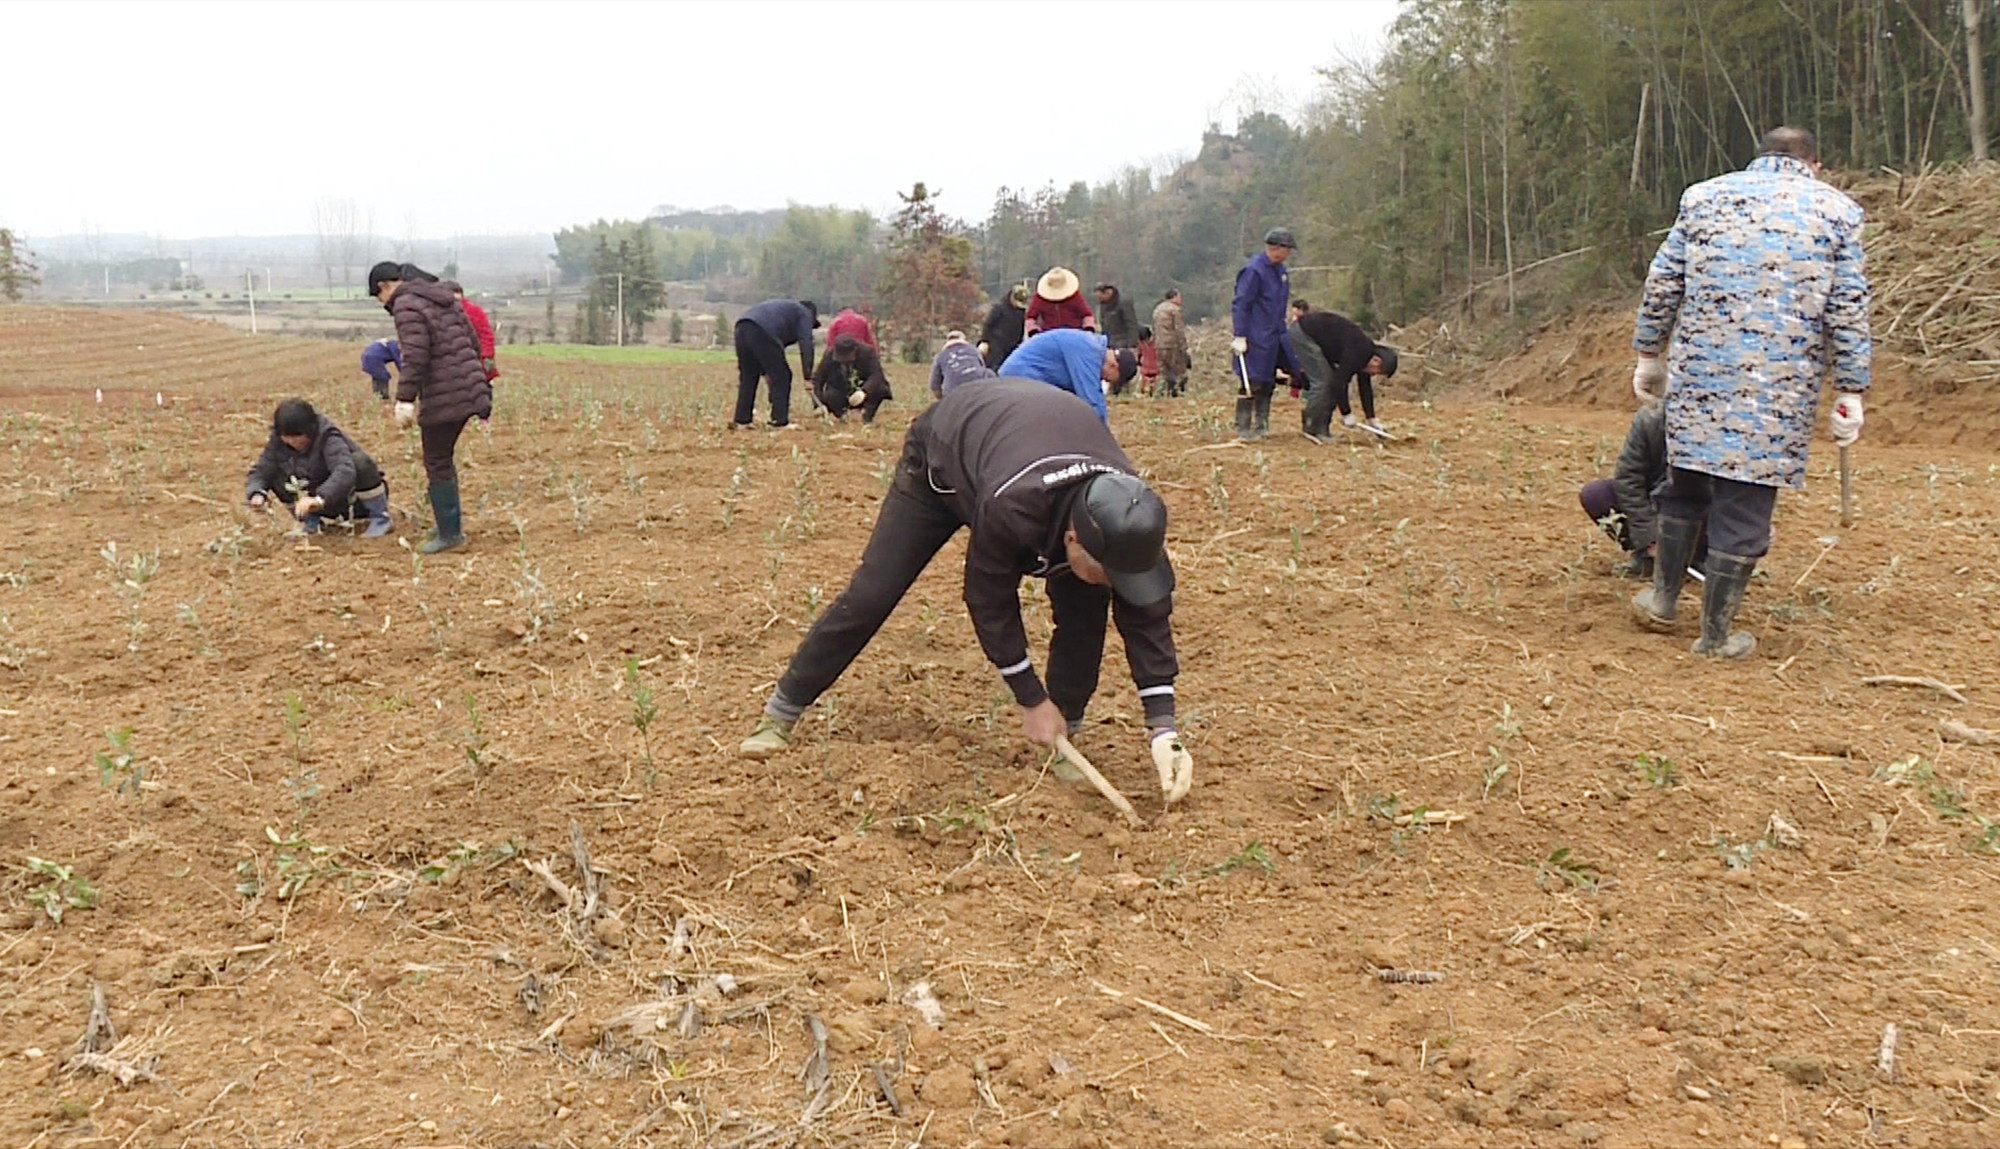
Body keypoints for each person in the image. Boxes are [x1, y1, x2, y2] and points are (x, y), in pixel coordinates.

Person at [736, 379, 1195, 806]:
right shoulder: (1016, 508)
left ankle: (1063, 741)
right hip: (944, 461)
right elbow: (988, 599)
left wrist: (1164, 728)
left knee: (1084, 608)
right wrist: (1030, 698)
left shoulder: (1128, 518)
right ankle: (782, 711)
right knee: (874, 592)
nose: (1117, 583)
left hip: (1019, 443)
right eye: (1109, 572)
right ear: (1074, 539)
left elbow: (1146, 614)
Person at [1629, 126, 1871, 659]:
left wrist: (1649, 353)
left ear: (1758, 157)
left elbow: (1663, 280)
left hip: (1699, 379)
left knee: (1685, 484)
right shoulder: (1838, 212)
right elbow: (1847, 309)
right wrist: (1851, 387)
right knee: (1743, 505)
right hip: (1777, 393)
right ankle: (1715, 636)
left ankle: (1664, 600)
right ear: (1816, 165)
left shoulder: (1703, 197)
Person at [369, 260, 492, 554]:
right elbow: (472, 340)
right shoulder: (440, 297)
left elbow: (415, 355)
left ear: (384, 287)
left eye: (379, 297)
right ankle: (448, 525)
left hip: (445, 392)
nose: (383, 303)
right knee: (442, 456)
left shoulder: (406, 305)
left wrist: (405, 398)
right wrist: (472, 377)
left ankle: (451, 534)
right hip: (468, 386)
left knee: (436, 459)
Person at [1578, 401, 1715, 580]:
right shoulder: (1649, 419)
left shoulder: (1719, 423)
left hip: (1698, 509)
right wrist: (1650, 538)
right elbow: (1628, 479)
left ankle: (1700, 557)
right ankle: (1647, 557)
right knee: (1596, 495)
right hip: (1654, 500)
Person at [244, 397, 393, 537]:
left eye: (296, 436)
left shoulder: (328, 437)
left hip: (351, 501)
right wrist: (257, 493)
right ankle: (309, 521)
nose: (290, 441)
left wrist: (320, 498)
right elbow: (262, 469)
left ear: (310, 431)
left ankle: (380, 518)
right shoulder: (278, 441)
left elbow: (344, 471)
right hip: (317, 505)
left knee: (360, 462)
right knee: (275, 473)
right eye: (286, 436)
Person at [1289, 300, 1399, 441]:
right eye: (1377, 372)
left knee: (1329, 382)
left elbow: (1365, 388)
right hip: (1304, 333)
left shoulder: (1365, 356)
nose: (1373, 374)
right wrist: (1346, 414)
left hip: (1322, 342)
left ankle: (1323, 429)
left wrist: (1372, 419)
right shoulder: (1360, 351)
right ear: (1377, 361)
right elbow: (1338, 383)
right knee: (1323, 382)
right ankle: (1310, 426)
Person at [1230, 228, 1300, 441]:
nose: (1288, 254)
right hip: (1255, 335)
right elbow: (1242, 304)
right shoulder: (1254, 271)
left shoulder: (1281, 272)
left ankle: (1262, 424)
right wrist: (1240, 334)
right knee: (1252, 381)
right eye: (1286, 249)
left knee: (1269, 381)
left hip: (1275, 334)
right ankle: (1243, 426)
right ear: (1276, 249)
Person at [996, 328, 1136, 422]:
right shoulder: (1089, 352)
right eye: (1109, 379)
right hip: (1020, 380)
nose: (1104, 380)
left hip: (1028, 381)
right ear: (1114, 366)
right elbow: (1092, 402)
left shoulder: (1091, 347)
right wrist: (1106, 443)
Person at [732, 298, 819, 430]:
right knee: (783, 376)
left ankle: (742, 421)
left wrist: (766, 372)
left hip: (742, 326)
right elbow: (806, 343)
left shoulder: (786, 311)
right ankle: (780, 421)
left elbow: (766, 352)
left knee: (749, 376)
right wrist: (808, 376)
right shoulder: (804, 314)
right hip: (762, 330)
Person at [812, 333, 893, 423]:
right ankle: (842, 414)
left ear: (854, 350)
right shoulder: (829, 355)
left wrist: (864, 391)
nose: (843, 360)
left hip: (862, 389)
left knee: (881, 388)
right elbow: (818, 379)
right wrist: (818, 404)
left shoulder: (867, 352)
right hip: (840, 390)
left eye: (846, 356)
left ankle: (866, 416)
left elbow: (877, 375)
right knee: (830, 395)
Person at [444, 281, 499, 382]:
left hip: (475, 361)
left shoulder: (473, 311)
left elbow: (486, 335)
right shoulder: (440, 313)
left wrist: (486, 357)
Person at [1024, 267, 1096, 338]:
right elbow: (1030, 317)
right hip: (1050, 336)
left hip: (1074, 335)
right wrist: (1034, 332)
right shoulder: (1040, 298)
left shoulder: (1074, 296)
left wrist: (1088, 330)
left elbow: (1087, 315)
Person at [930, 330, 996, 399]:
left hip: (954, 393)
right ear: (964, 339)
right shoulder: (974, 350)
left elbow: (934, 386)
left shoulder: (941, 356)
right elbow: (982, 367)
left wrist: (943, 400)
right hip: (979, 389)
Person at [1150, 289, 1189, 397]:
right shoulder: (1175, 310)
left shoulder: (1157, 309)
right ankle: (1179, 392)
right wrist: (1183, 347)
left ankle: (1163, 393)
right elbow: (1179, 329)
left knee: (1164, 372)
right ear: (1174, 297)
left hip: (1159, 344)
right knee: (1179, 371)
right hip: (1172, 344)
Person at [979, 284, 1030, 367]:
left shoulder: (1021, 312)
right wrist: (984, 341)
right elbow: (988, 325)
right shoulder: (999, 308)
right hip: (996, 347)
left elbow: (1021, 329)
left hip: (1012, 348)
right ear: (1012, 297)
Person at [1094, 283, 1141, 353]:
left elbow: (1131, 324)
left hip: (1123, 345)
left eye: (1101, 297)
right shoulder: (1103, 305)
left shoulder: (1124, 303)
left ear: (1108, 292)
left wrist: (1132, 345)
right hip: (1109, 345)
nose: (1100, 300)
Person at [1136, 326, 1160, 396]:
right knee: (1143, 389)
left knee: (1153, 389)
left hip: (1155, 369)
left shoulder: (1156, 343)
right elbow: (1139, 354)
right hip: (1145, 369)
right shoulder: (1141, 344)